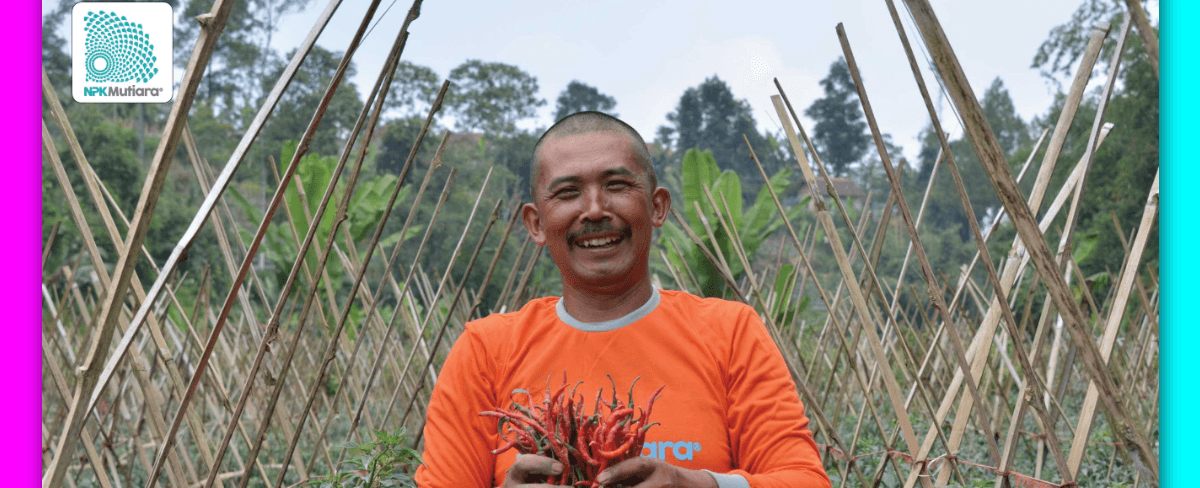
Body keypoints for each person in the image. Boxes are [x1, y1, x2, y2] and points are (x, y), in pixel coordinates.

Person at [414, 112, 830, 488]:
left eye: (616, 185)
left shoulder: (728, 332)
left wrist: (697, 484)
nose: (594, 210)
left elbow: (805, 480)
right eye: (567, 193)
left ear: (657, 206)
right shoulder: (486, 350)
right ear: (536, 223)